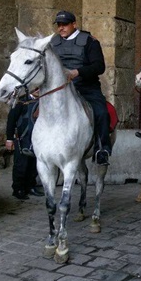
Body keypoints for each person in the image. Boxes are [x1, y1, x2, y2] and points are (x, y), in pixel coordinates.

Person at [50, 10, 111, 165]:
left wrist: (77, 72)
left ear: (74, 24)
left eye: (65, 25)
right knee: (34, 111)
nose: (61, 28)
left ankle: (102, 149)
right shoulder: (53, 43)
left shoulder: (90, 41)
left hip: (86, 87)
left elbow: (99, 66)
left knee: (101, 112)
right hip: (60, 88)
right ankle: (32, 145)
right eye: (59, 25)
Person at [5, 92, 42, 200]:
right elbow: (11, 120)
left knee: (34, 165)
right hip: (22, 138)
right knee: (21, 165)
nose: (38, 90)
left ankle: (30, 186)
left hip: (37, 139)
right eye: (36, 88)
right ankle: (18, 189)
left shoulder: (43, 101)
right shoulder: (21, 101)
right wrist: (9, 139)